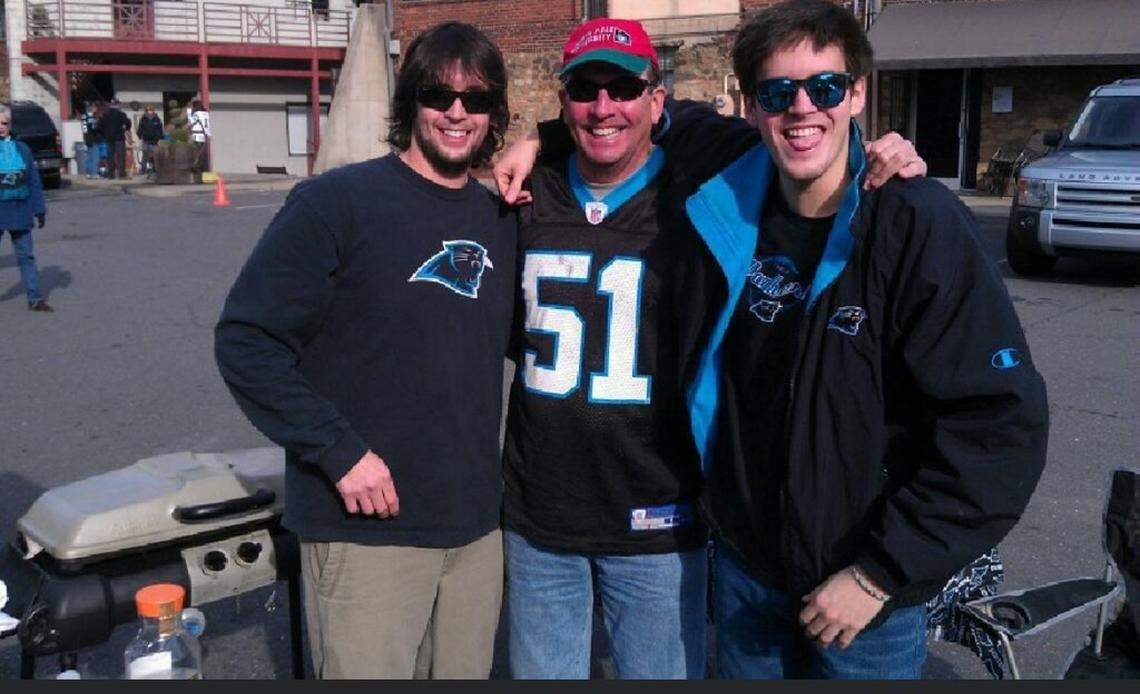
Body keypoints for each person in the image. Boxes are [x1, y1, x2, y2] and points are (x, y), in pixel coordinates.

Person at [493, 18, 925, 680]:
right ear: (562, 101)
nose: (604, 105)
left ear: (656, 99)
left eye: (624, 88)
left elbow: (808, 139)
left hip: (659, 514)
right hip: (538, 513)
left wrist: (880, 151)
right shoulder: (523, 195)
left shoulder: (707, 187)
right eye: (584, 89)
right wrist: (539, 140)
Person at [663, 0, 1047, 679]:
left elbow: (999, 425)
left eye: (826, 87)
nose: (802, 109)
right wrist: (536, 139)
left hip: (864, 601)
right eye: (778, 92)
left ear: (859, 94)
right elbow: (634, 115)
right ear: (751, 106)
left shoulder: (913, 222)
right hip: (748, 574)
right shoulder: (729, 198)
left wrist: (877, 574)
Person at [214, 22, 515, 679]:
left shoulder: (501, 220)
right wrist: (339, 452)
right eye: (438, 94)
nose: (456, 112)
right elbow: (247, 340)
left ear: (496, 115)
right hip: (366, 531)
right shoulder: (335, 204)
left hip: (473, 532)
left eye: (477, 98)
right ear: (411, 101)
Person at [0, 105, 51, 312]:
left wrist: (39, 209)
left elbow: (33, 181)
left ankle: (35, 298)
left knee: (26, 256)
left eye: (4, 123)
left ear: (10, 125)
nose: (1, 127)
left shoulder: (22, 149)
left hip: (20, 210)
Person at [99, 99, 131, 179]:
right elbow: (128, 123)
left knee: (110, 156)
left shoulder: (105, 115)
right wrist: (125, 128)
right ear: (118, 105)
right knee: (121, 156)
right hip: (119, 138)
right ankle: (121, 174)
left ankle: (111, 174)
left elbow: (100, 126)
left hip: (109, 138)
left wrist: (104, 134)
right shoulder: (121, 114)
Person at [136, 104, 164, 177]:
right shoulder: (143, 119)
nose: (150, 111)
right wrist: (139, 136)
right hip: (146, 140)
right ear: (146, 111)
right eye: (148, 110)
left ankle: (156, 170)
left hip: (155, 141)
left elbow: (160, 129)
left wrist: (160, 137)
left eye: (151, 110)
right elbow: (140, 129)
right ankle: (143, 170)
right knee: (144, 156)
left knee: (155, 156)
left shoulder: (157, 119)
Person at [187, 99, 211, 175]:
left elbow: (192, 122)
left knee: (196, 153)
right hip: (205, 134)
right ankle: (204, 170)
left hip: (197, 134)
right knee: (202, 154)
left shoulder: (196, 114)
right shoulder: (206, 114)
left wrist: (189, 113)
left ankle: (196, 168)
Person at [79, 103, 102, 179]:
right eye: (95, 107)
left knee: (89, 156)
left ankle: (88, 172)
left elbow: (84, 129)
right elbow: (94, 128)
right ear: (92, 108)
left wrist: (85, 137)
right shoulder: (91, 117)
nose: (96, 109)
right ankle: (94, 173)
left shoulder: (83, 116)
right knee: (95, 156)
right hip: (94, 139)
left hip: (87, 138)